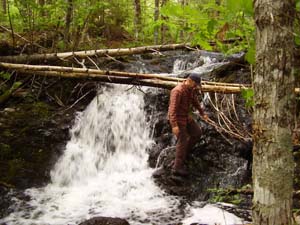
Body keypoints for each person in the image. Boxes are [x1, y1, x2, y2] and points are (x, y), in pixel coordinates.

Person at [168, 72, 208, 176]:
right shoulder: (177, 91)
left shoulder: (190, 90)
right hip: (178, 119)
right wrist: (174, 126)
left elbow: (195, 101)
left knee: (197, 133)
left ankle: (183, 154)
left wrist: (203, 113)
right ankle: (177, 168)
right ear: (189, 81)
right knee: (183, 140)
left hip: (186, 117)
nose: (196, 87)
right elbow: (172, 110)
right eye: (195, 84)